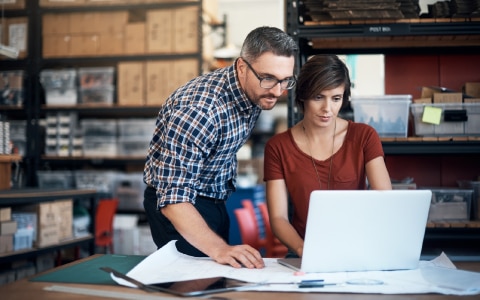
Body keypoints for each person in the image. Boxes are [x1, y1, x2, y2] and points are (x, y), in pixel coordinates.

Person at [143, 26, 298, 269]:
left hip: (215, 199)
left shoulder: (255, 90)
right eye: (268, 78)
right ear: (242, 67)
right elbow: (173, 197)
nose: (278, 91)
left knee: (219, 275)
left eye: (285, 80)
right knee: (192, 283)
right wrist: (219, 248)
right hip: (181, 206)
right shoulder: (199, 111)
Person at [263, 54, 392, 258]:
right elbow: (278, 218)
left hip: (358, 249)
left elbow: (385, 202)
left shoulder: (364, 136)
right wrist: (301, 249)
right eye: (318, 97)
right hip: (303, 251)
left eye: (336, 99)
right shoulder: (278, 147)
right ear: (303, 96)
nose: (327, 109)